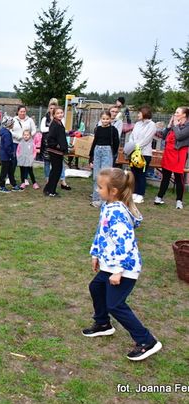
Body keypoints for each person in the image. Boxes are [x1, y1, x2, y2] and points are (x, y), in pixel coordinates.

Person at [83, 168, 162, 361]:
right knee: (96, 287)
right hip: (110, 265)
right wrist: (95, 254)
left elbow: (124, 243)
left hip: (125, 268)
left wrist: (118, 271)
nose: (98, 189)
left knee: (115, 305)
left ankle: (146, 341)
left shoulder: (118, 213)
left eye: (100, 187)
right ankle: (103, 324)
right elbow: (101, 233)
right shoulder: (108, 206)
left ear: (114, 191)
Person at [154, 106, 189, 209]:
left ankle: (179, 201)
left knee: (178, 177)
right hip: (169, 153)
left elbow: (179, 136)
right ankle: (159, 197)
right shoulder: (174, 125)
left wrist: (175, 125)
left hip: (179, 154)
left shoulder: (187, 126)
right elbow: (164, 136)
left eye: (177, 112)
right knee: (166, 176)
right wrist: (169, 126)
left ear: (184, 115)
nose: (175, 114)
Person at [123, 106, 155, 203]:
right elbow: (132, 136)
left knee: (141, 174)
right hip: (133, 152)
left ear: (145, 113)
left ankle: (140, 194)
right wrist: (132, 146)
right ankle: (134, 192)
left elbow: (147, 139)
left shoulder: (151, 125)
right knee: (134, 173)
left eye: (139, 113)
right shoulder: (137, 124)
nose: (138, 115)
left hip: (144, 153)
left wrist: (137, 146)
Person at [89, 110, 120, 207]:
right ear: (100, 119)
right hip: (97, 150)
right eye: (103, 119)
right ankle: (96, 198)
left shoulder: (113, 130)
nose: (105, 121)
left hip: (107, 151)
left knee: (105, 176)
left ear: (110, 119)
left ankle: (104, 200)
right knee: (96, 176)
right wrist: (91, 157)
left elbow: (116, 142)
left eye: (107, 119)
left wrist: (113, 153)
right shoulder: (97, 129)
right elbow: (94, 142)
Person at [41, 99, 72, 191]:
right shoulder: (54, 124)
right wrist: (58, 146)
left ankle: (48, 189)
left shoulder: (60, 123)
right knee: (55, 171)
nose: (60, 115)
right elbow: (51, 139)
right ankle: (51, 190)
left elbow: (61, 137)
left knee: (57, 171)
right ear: (54, 115)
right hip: (55, 151)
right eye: (58, 113)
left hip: (59, 152)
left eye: (61, 113)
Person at [0, 115, 20, 193]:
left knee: (10, 170)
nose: (13, 124)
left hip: (6, 155)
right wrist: (11, 154)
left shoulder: (4, 131)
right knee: (4, 171)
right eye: (12, 123)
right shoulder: (7, 133)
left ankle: (13, 184)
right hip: (6, 156)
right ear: (9, 124)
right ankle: (1, 186)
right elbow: (7, 146)